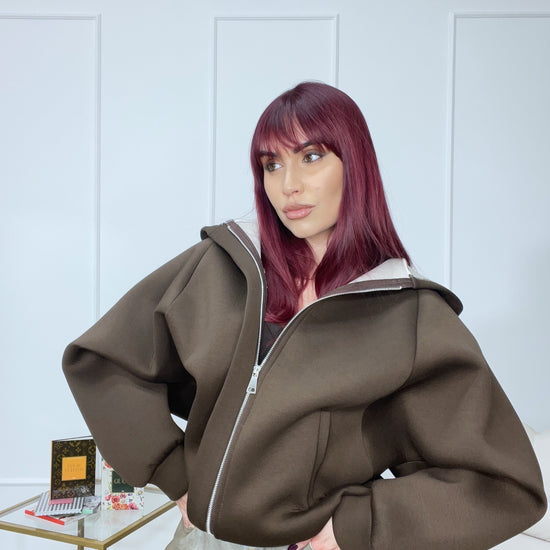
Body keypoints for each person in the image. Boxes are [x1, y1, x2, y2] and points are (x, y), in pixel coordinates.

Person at [63, 82, 546, 550]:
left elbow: (506, 487)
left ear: (354, 164)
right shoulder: (220, 266)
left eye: (311, 157)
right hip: (199, 540)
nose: (288, 185)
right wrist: (174, 473)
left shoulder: (409, 315)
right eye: (271, 165)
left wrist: (360, 525)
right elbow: (102, 362)